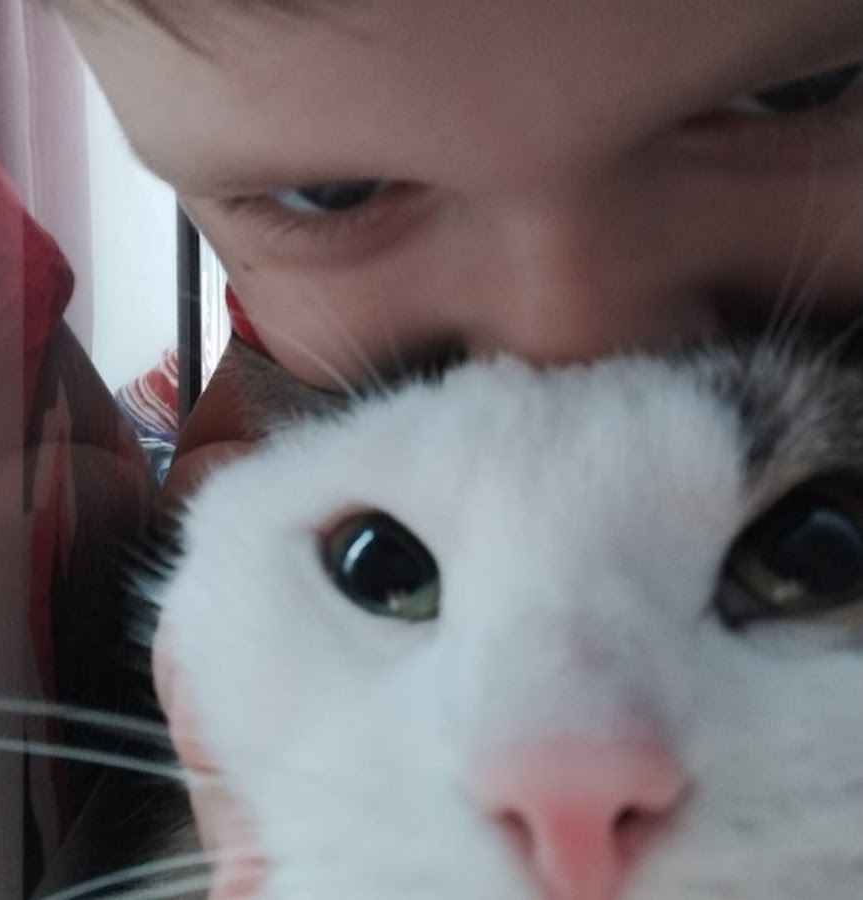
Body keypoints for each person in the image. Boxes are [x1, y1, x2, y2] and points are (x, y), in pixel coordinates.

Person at [48, 0, 863, 894]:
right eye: (333, 191)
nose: (564, 333)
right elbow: (216, 472)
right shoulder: (291, 346)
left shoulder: (336, 302)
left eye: (802, 92)